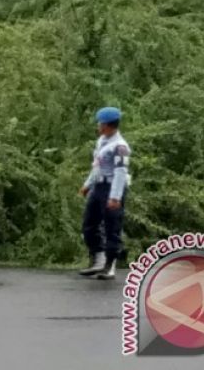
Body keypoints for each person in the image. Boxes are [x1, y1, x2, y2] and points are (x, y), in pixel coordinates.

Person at [78, 107, 131, 280]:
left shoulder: (120, 146)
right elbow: (97, 166)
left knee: (111, 227)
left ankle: (110, 265)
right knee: (89, 224)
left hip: (112, 188)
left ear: (108, 125)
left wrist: (115, 197)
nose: (98, 126)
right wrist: (87, 185)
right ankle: (98, 259)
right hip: (99, 186)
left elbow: (120, 172)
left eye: (100, 123)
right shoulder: (102, 141)